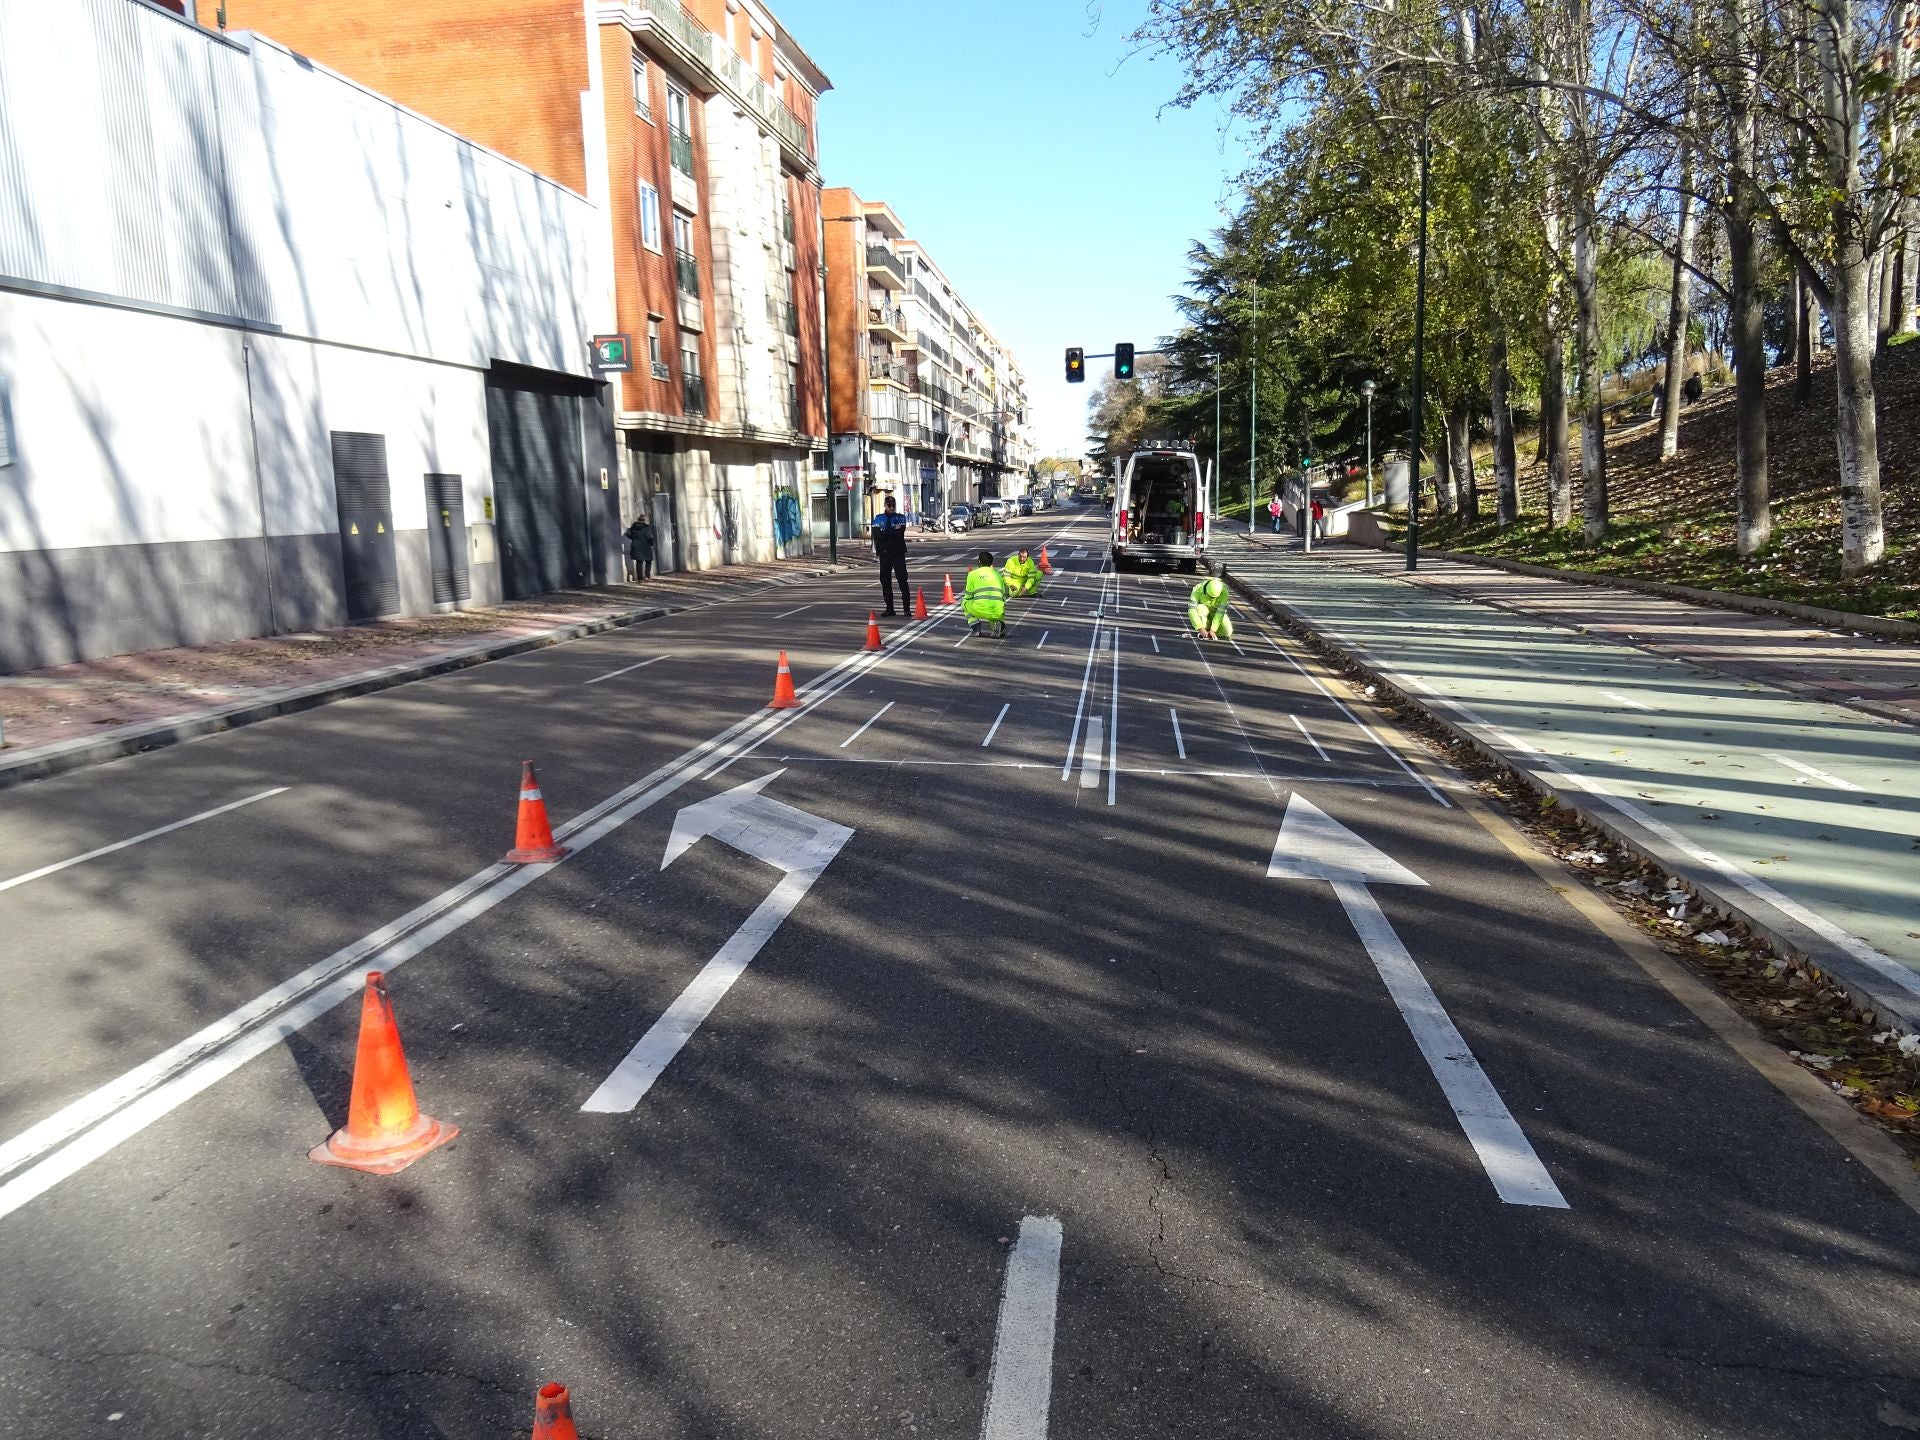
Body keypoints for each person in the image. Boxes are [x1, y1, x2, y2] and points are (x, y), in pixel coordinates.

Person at [871, 493, 911, 616]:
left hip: (897, 552)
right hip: (884, 554)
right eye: (889, 505)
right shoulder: (878, 518)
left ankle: (906, 608)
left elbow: (900, 533)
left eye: (893, 505)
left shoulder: (900, 518)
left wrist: (887, 533)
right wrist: (891, 532)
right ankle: (889, 608)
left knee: (902, 580)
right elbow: (877, 536)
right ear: (885, 505)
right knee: (885, 581)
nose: (891, 507)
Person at [962, 550, 1007, 638]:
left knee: (964, 603)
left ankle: (976, 628)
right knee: (998, 606)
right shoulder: (998, 574)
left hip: (979, 609)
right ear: (991, 563)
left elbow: (968, 595)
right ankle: (998, 627)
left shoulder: (972, 574)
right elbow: (1003, 596)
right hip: (996, 610)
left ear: (979, 562)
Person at [1187, 576, 1234, 641]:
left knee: (1227, 632)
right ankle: (1204, 629)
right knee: (1200, 608)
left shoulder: (1224, 592)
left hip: (1215, 612)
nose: (1212, 599)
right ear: (1206, 590)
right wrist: (1200, 628)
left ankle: (1210, 631)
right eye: (1210, 596)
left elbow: (1220, 612)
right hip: (1203, 611)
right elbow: (1191, 610)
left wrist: (1213, 630)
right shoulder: (1197, 589)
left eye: (1215, 597)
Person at [623, 513, 656, 583]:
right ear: (644, 520)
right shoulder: (646, 527)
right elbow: (649, 537)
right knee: (648, 561)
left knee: (639, 562)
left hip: (636, 546)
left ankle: (640, 579)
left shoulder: (633, 527)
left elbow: (628, 534)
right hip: (645, 546)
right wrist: (652, 544)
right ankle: (647, 577)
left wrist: (634, 538)